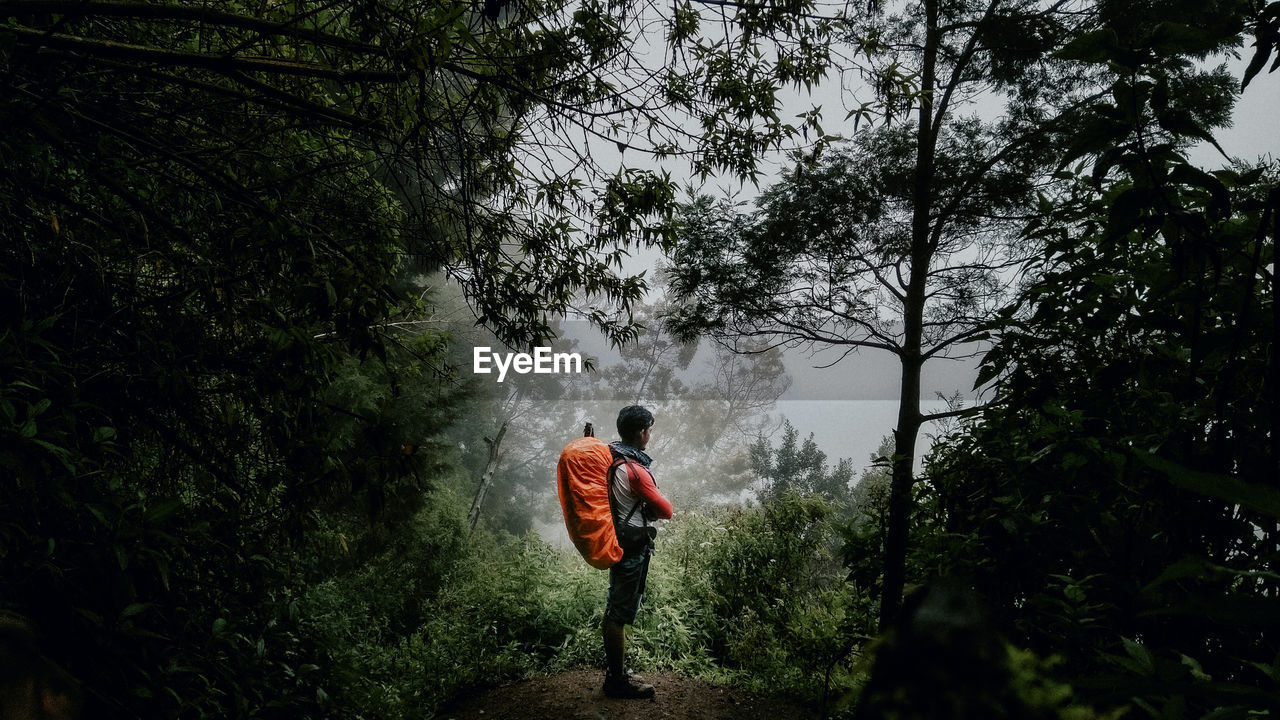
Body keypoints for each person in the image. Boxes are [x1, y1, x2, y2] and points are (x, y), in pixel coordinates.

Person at [602, 405, 672, 700]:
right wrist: (651, 509)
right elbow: (666, 510)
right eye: (649, 430)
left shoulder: (615, 460)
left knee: (615, 608)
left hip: (621, 541)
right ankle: (616, 681)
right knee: (618, 613)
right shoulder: (636, 470)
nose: (650, 435)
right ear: (641, 433)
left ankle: (616, 674)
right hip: (632, 547)